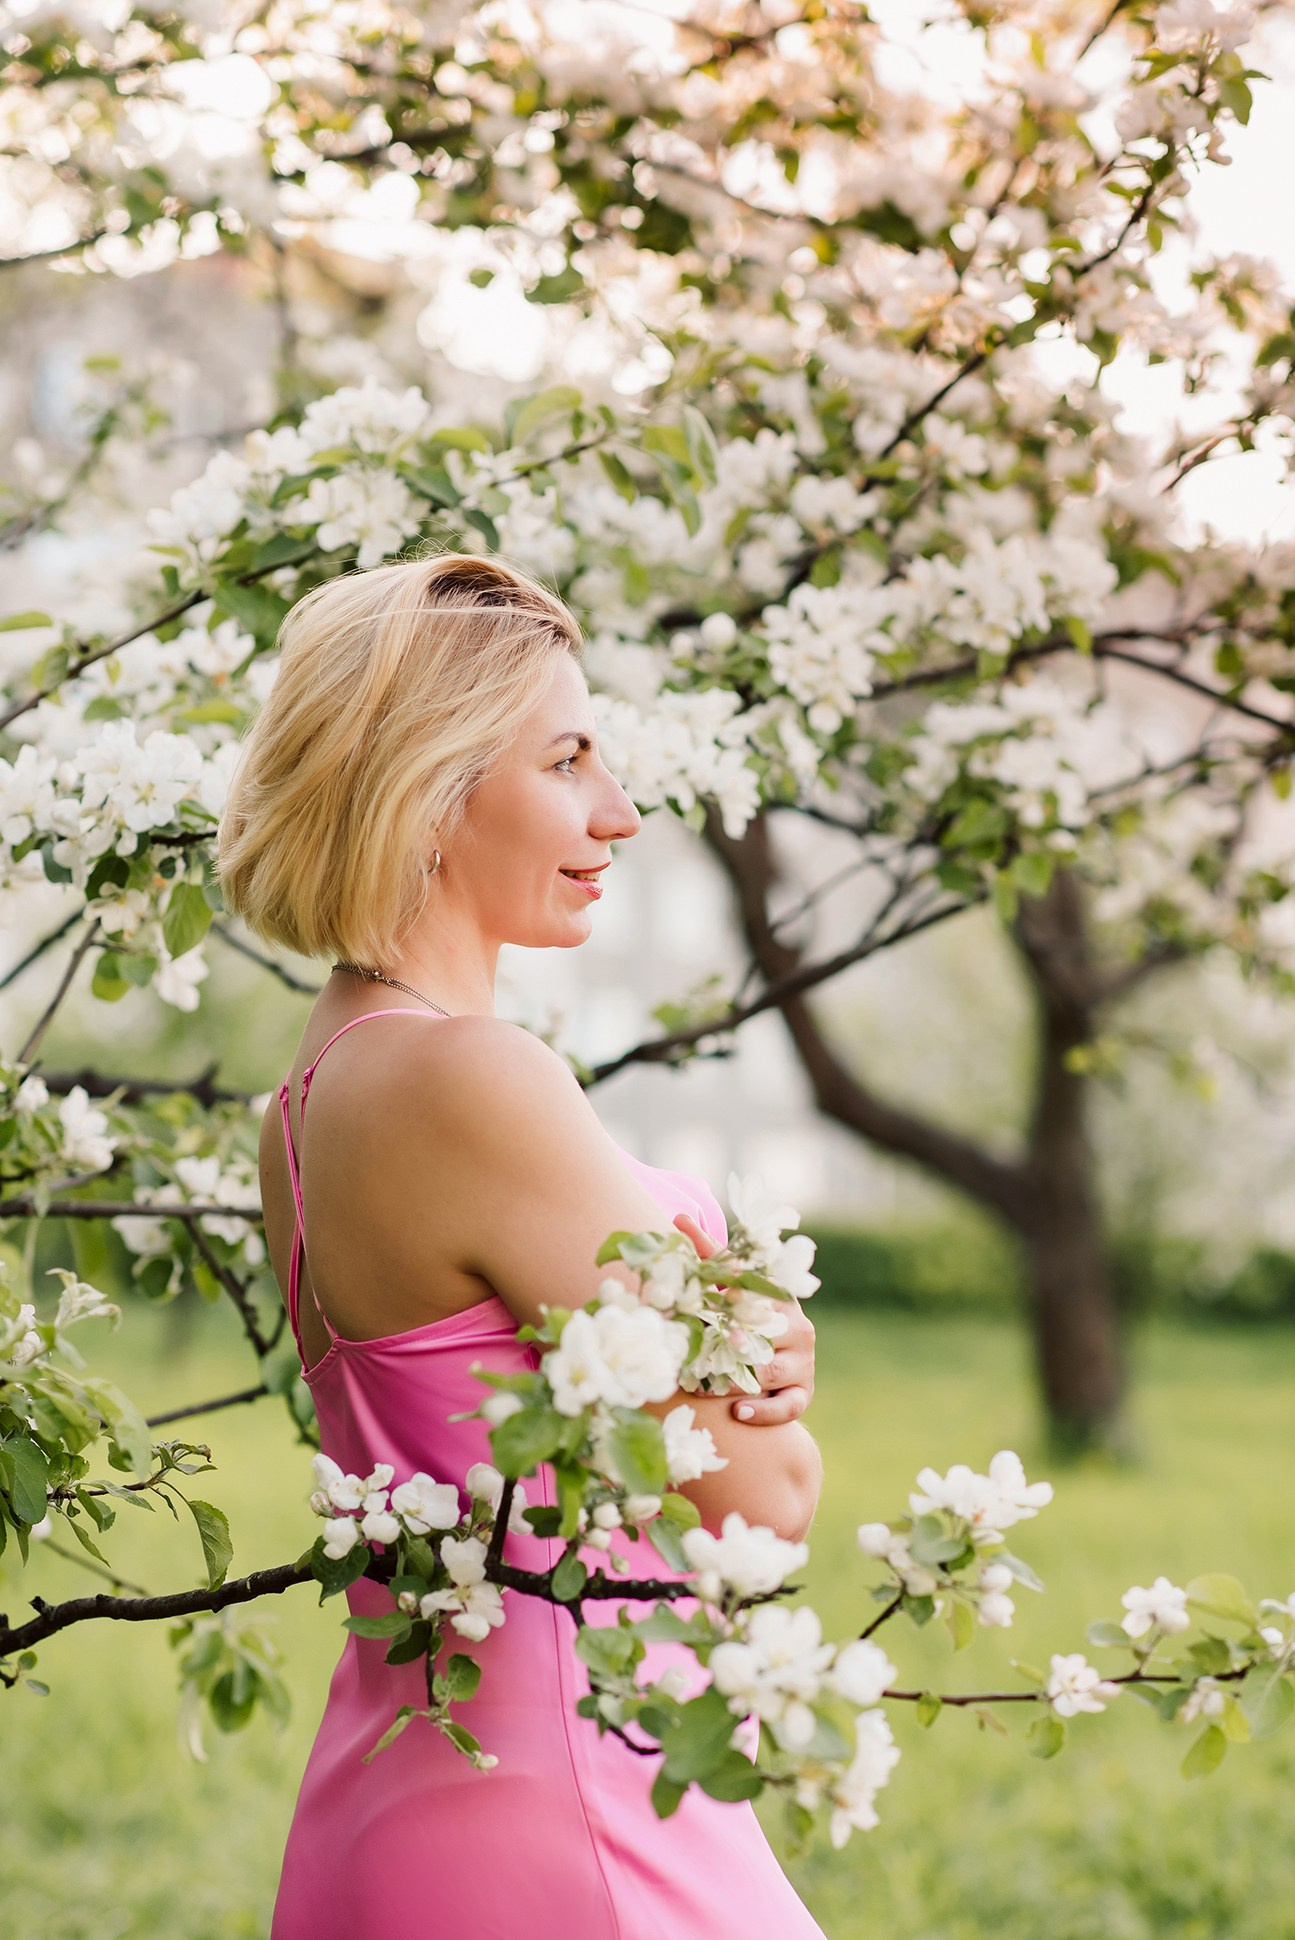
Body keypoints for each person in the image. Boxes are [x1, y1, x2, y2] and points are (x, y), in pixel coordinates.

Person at [217, 549, 827, 1938]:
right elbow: (762, 1499)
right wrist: (771, 1367)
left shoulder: (304, 1103)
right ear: (430, 792)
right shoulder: (475, 1080)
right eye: (567, 760)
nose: (616, 813)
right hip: (576, 1820)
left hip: (386, 1802)